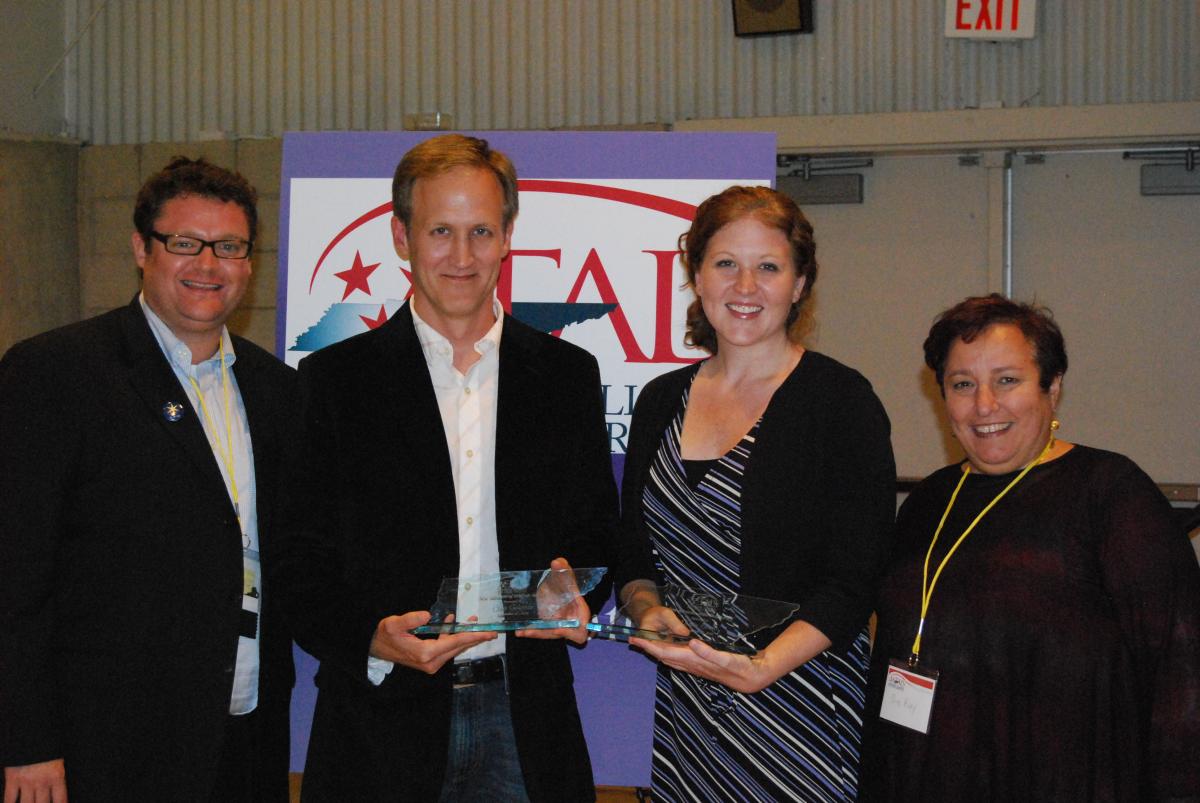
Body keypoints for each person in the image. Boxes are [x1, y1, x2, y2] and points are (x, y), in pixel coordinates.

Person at [273, 134, 617, 802]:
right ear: (400, 236)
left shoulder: (566, 377)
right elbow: (297, 561)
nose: (462, 257)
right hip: (378, 726)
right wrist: (370, 637)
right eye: (440, 231)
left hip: (527, 720)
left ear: (509, 235)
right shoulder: (333, 382)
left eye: (482, 231)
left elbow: (599, 527)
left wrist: (572, 581)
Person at [0, 157, 295, 802]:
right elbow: (15, 575)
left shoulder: (276, 392)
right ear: (142, 249)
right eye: (184, 243)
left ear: (250, 261)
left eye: (229, 247)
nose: (207, 265)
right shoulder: (55, 375)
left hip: (243, 734)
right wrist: (24, 741)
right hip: (99, 749)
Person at [613, 185, 896, 802]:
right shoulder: (661, 400)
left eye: (768, 267)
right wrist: (645, 609)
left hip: (799, 710)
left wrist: (761, 668)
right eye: (726, 264)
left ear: (799, 286)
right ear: (697, 276)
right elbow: (633, 555)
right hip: (685, 712)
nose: (745, 287)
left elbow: (855, 579)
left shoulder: (841, 402)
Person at [861, 294, 1200, 801]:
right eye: (962, 385)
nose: (984, 405)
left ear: (1053, 387)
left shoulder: (1110, 494)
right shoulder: (926, 503)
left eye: (1007, 380)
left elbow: (1182, 671)